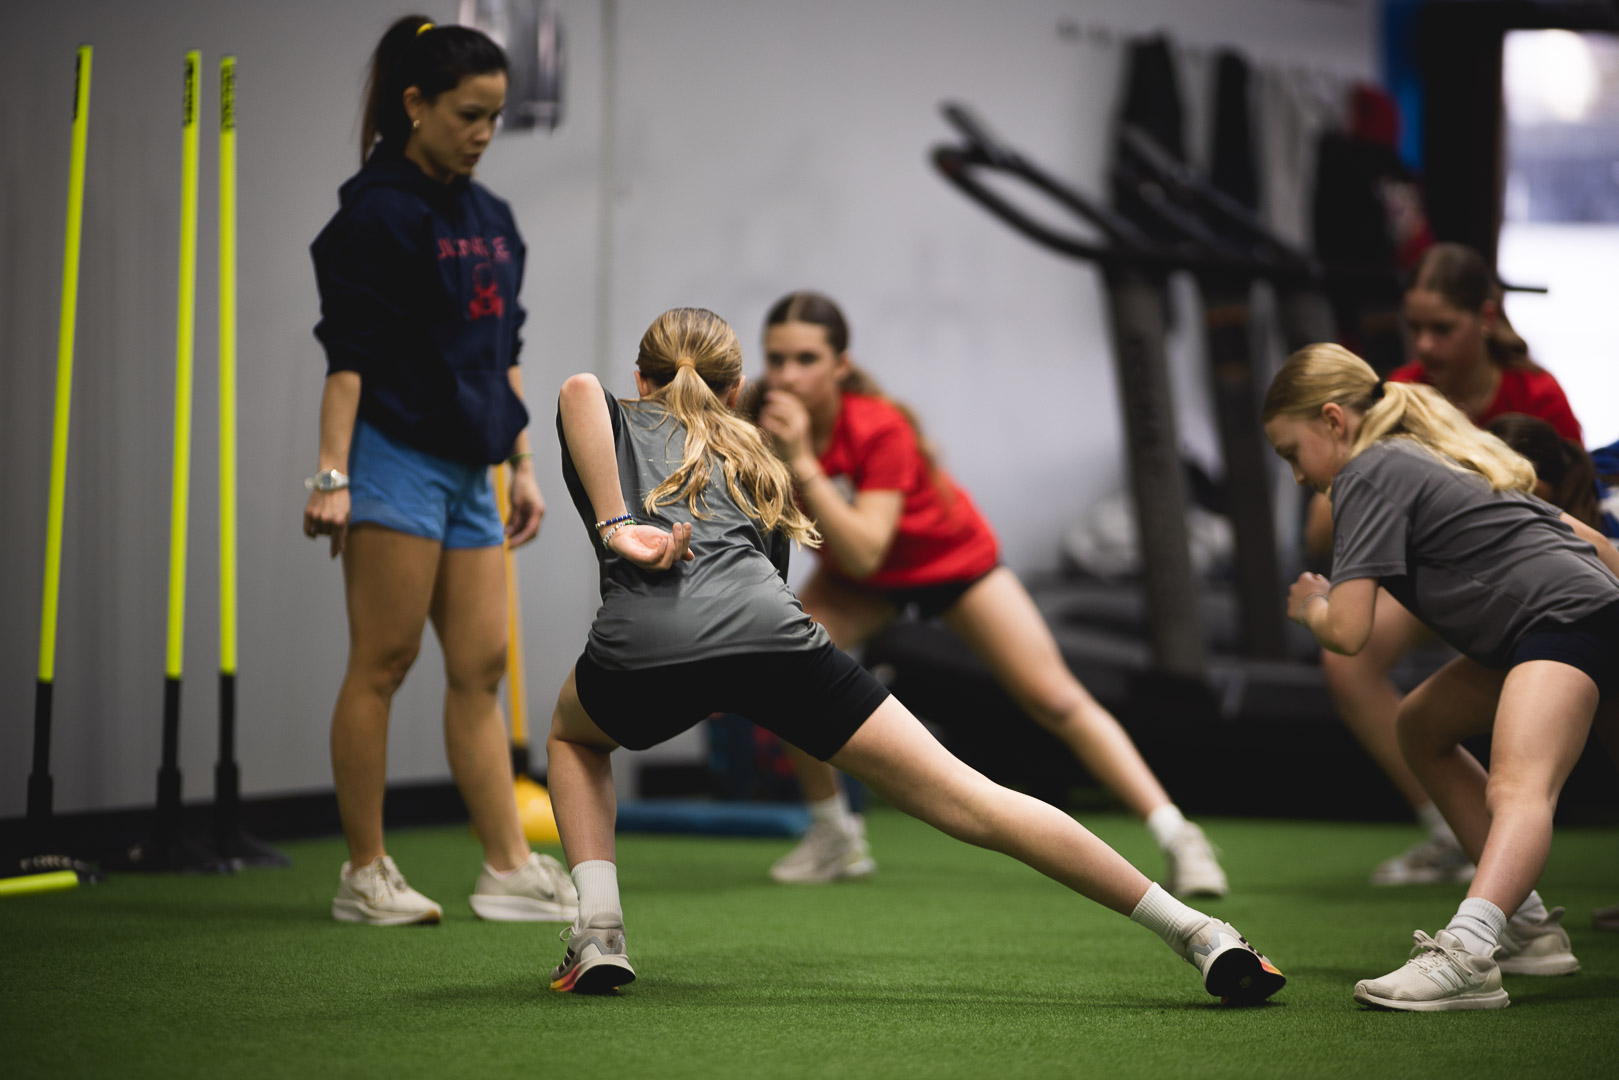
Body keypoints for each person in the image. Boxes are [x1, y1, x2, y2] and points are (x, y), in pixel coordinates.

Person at [542, 306, 1284, 999]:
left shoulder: (612, 416)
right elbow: (767, 586)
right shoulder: (761, 454)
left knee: (574, 737)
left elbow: (578, 389)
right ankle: (1196, 931)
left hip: (652, 646)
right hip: (778, 643)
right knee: (977, 802)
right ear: (737, 389)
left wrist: (614, 526)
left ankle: (600, 934)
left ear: (639, 381)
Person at [745, 292, 1226, 897]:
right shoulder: (758, 422)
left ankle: (1181, 837)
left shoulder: (877, 426)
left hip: (950, 562)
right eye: (776, 359)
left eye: (806, 359)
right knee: (782, 664)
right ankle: (834, 835)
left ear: (840, 365)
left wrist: (803, 462)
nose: (787, 375)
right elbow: (848, 558)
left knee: (1055, 699)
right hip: (857, 582)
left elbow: (867, 546)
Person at [303, 15, 575, 926]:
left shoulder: (489, 216)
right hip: (395, 455)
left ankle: (504, 867)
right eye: (469, 114)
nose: (484, 133)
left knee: (481, 667)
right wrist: (332, 476)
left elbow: (504, 348)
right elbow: (349, 358)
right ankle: (365, 872)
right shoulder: (376, 213)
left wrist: (523, 462)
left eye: (495, 116)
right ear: (414, 104)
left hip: (474, 465)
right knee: (383, 662)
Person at [1263, 343, 1619, 1011]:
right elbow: (1584, 539)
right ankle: (1526, 929)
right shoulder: (1422, 449)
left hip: (1566, 618)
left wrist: (1310, 603)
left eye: (1290, 452)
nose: (1293, 475)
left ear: (1333, 421)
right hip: (1569, 613)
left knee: (1518, 784)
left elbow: (1347, 632)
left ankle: (1469, 952)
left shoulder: (1367, 471)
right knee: (1420, 725)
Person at [1307, 244, 1584, 887]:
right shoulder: (1400, 397)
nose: (1426, 343)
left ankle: (1508, 898)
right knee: (1348, 661)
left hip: (1528, 582)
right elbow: (1323, 528)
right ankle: (1447, 830)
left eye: (1443, 328)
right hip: (1431, 580)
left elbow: (1574, 506)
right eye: (1417, 328)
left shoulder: (1534, 393)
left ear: (1485, 318)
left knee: (1530, 766)